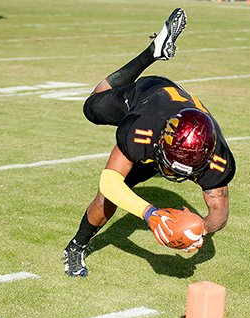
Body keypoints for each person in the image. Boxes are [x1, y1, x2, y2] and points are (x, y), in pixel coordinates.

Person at [63, 8, 235, 277]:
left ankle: (76, 246)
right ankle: (151, 53)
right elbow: (109, 181)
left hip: (169, 134)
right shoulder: (143, 129)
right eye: (170, 166)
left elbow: (219, 213)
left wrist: (195, 229)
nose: (172, 176)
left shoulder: (216, 156)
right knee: (92, 105)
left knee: (123, 189)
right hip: (146, 95)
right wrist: (150, 214)